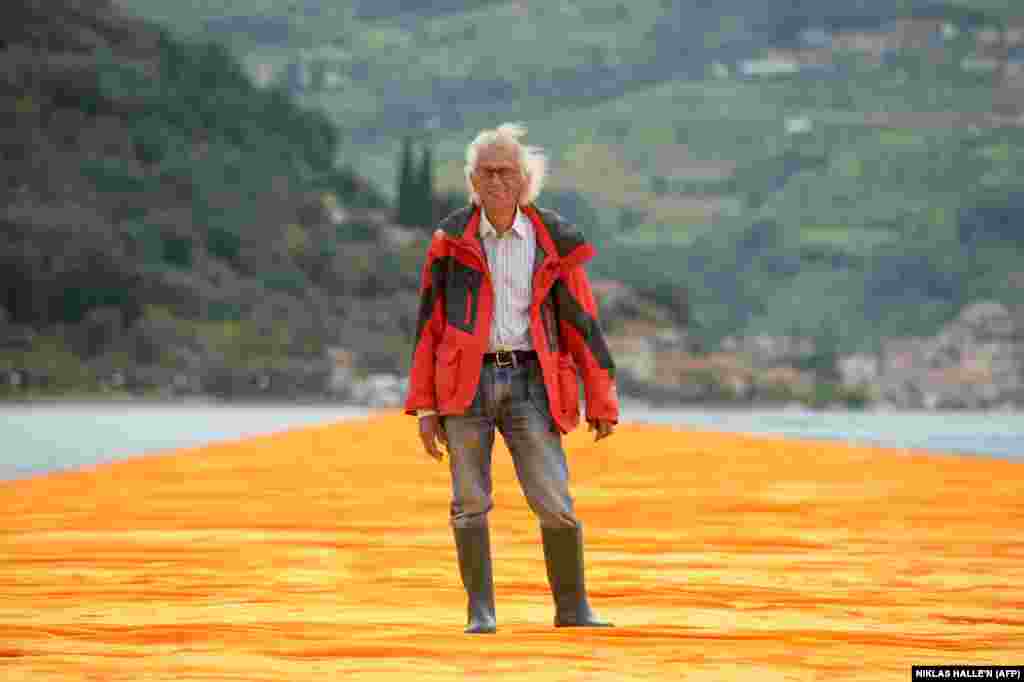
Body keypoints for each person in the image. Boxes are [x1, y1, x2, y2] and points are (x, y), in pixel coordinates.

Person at [403, 122, 619, 634]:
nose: (497, 180)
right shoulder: (448, 243)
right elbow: (428, 327)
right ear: (472, 181)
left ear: (526, 180)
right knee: (469, 503)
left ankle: (573, 610)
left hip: (533, 383)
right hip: (463, 385)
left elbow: (582, 324)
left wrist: (602, 399)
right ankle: (481, 613)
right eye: (487, 171)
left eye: (507, 171)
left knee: (554, 500)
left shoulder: (554, 243)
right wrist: (426, 406)